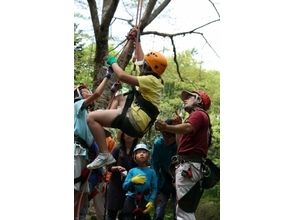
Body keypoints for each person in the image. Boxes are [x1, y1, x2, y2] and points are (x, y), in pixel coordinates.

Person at [86, 28, 167, 170]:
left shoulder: (150, 80)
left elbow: (122, 76)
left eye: (145, 64)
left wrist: (113, 62)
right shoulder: (154, 79)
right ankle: (105, 149)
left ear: (149, 67)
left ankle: (105, 153)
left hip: (134, 119)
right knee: (121, 99)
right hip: (138, 121)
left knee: (91, 118)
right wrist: (137, 40)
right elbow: (142, 60)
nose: (142, 64)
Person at [154, 90, 211, 220]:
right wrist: (177, 127)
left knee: (184, 212)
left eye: (189, 97)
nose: (185, 99)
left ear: (199, 100)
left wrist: (166, 127)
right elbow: (181, 147)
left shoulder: (198, 113)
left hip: (189, 166)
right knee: (184, 210)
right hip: (189, 165)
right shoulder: (198, 117)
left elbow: (187, 128)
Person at [74, 72, 111, 219]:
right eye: (83, 90)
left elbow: (107, 113)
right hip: (76, 151)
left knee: (82, 194)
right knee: (74, 189)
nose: (87, 90)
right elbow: (96, 94)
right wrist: (107, 76)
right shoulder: (77, 105)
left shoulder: (89, 115)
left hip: (86, 154)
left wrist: (114, 93)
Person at [105, 132, 139, 220]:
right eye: (126, 132)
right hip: (116, 184)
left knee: (128, 214)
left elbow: (143, 167)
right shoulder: (117, 149)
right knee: (111, 212)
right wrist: (116, 168)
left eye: (131, 132)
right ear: (123, 135)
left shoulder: (138, 150)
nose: (129, 134)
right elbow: (108, 166)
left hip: (130, 186)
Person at [121, 143, 158, 220]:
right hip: (131, 197)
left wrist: (151, 200)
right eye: (139, 152)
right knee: (127, 216)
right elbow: (124, 187)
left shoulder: (152, 172)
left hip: (145, 199)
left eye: (144, 152)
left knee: (143, 217)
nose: (141, 154)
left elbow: (155, 188)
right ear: (135, 156)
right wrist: (132, 181)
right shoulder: (132, 171)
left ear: (148, 156)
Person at [151, 119, 177, 220]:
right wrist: (155, 188)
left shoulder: (180, 143)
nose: (166, 139)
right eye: (164, 135)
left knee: (178, 211)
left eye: (169, 136)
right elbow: (155, 166)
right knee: (159, 211)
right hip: (163, 180)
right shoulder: (158, 144)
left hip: (178, 181)